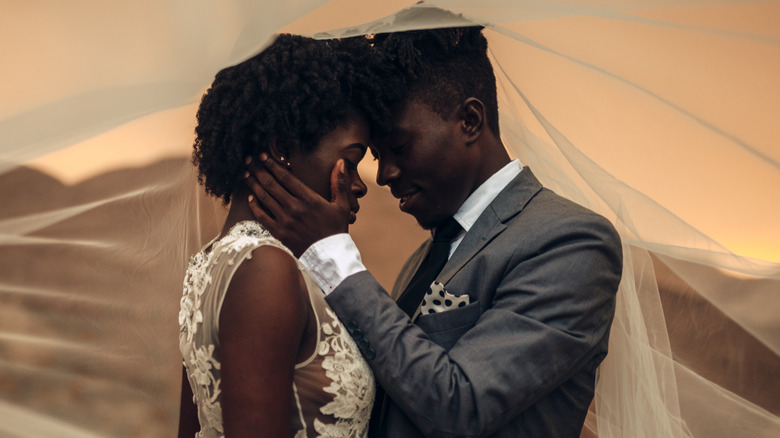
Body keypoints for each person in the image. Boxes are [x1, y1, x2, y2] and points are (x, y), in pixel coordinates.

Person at [244, 27, 623, 438]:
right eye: (377, 156)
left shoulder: (571, 243)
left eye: (400, 147)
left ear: (470, 121)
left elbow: (461, 406)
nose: (384, 175)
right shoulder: (422, 261)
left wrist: (331, 253)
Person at [177, 34, 398, 438]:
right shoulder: (266, 269)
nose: (361, 184)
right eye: (349, 161)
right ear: (282, 148)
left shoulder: (214, 263)